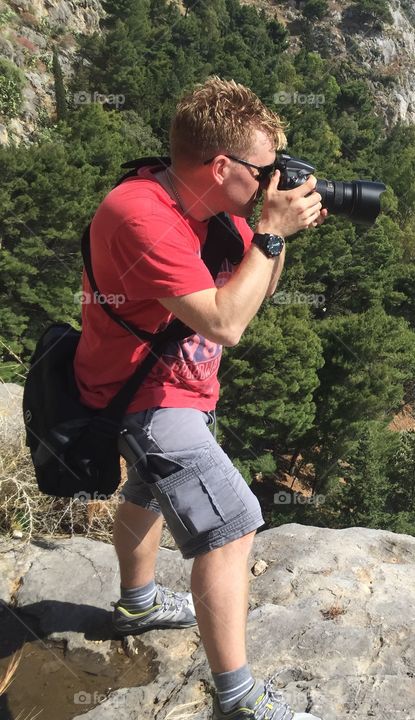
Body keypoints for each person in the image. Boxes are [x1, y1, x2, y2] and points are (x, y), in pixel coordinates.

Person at [74, 76, 327, 720]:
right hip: (145, 398)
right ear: (222, 165)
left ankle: (138, 603)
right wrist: (270, 231)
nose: (273, 182)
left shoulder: (208, 212)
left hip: (176, 387)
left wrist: (276, 235)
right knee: (230, 528)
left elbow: (255, 293)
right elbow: (226, 324)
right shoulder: (140, 215)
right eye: (266, 170)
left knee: (145, 492)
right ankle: (237, 699)